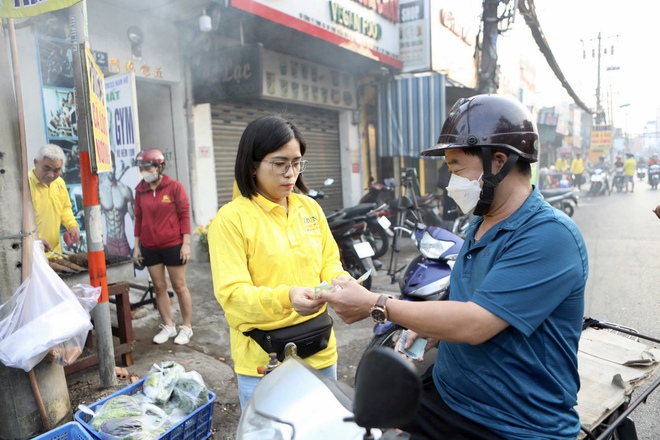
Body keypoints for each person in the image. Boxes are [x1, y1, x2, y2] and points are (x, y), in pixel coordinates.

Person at [321, 95, 588, 440]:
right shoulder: (480, 223)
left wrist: (377, 305)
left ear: (499, 161)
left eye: (456, 167)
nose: (450, 183)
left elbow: (476, 323)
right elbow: (464, 298)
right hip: (450, 395)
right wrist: (432, 328)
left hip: (512, 422)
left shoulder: (549, 234)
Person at [207, 114, 350, 409]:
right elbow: (233, 296)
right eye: (280, 163)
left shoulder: (309, 208)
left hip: (320, 350)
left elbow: (329, 261)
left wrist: (339, 280)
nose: (290, 173)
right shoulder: (230, 220)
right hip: (265, 361)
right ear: (253, 164)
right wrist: (288, 297)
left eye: (297, 163)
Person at [132, 148, 194, 345]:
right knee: (159, 287)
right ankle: (168, 325)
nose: (144, 172)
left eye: (148, 168)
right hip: (150, 246)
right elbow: (138, 219)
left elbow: (184, 215)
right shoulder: (140, 190)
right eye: (141, 169)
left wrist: (186, 244)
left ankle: (186, 327)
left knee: (179, 286)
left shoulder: (174, 187)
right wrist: (137, 246)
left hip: (173, 244)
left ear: (159, 167)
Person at [28, 144, 80, 256]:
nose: (51, 175)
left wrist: (72, 225)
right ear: (36, 162)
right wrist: (33, 241)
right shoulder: (25, 186)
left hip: (55, 253)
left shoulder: (60, 183)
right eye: (46, 168)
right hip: (32, 255)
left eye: (56, 170)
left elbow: (65, 209)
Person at [100, 151, 135, 257]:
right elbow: (94, 220)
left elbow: (135, 218)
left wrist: (137, 245)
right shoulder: (100, 191)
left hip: (123, 240)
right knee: (112, 273)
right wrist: (100, 244)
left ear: (116, 166)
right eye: (107, 168)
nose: (110, 171)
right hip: (109, 242)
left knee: (127, 271)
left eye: (113, 167)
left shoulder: (125, 190)